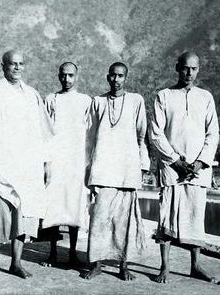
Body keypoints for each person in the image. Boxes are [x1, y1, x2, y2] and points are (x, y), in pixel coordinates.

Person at [0, 49, 54, 280]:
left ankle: (16, 263)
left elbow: (44, 135)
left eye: (20, 64)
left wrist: (46, 162)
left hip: (26, 167)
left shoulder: (32, 95)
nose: (16, 68)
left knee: (22, 217)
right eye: (12, 64)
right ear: (3, 66)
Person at [149, 52, 220, 284]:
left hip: (198, 169)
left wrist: (199, 162)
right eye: (185, 68)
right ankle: (165, 267)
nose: (189, 73)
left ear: (199, 70)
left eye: (194, 69)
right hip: (172, 168)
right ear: (177, 68)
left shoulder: (206, 97)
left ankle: (196, 265)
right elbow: (156, 133)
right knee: (167, 216)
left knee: (194, 215)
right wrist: (175, 161)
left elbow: (213, 133)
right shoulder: (164, 96)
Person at [83, 62, 150, 281]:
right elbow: (89, 138)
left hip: (126, 170)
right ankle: (96, 264)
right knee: (99, 220)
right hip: (103, 170)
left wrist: (141, 166)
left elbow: (141, 136)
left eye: (121, 76)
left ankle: (123, 266)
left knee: (124, 222)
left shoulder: (136, 101)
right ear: (107, 77)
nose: (116, 80)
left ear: (126, 78)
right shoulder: (98, 101)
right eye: (113, 76)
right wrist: (88, 169)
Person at [39, 62, 91, 268]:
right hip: (56, 160)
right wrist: (46, 160)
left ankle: (72, 254)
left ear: (77, 76)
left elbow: (89, 132)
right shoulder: (51, 99)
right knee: (54, 207)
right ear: (58, 76)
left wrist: (87, 164)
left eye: (70, 75)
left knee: (74, 207)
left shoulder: (85, 101)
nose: (66, 79)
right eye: (63, 75)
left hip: (76, 162)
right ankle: (52, 253)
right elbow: (44, 131)